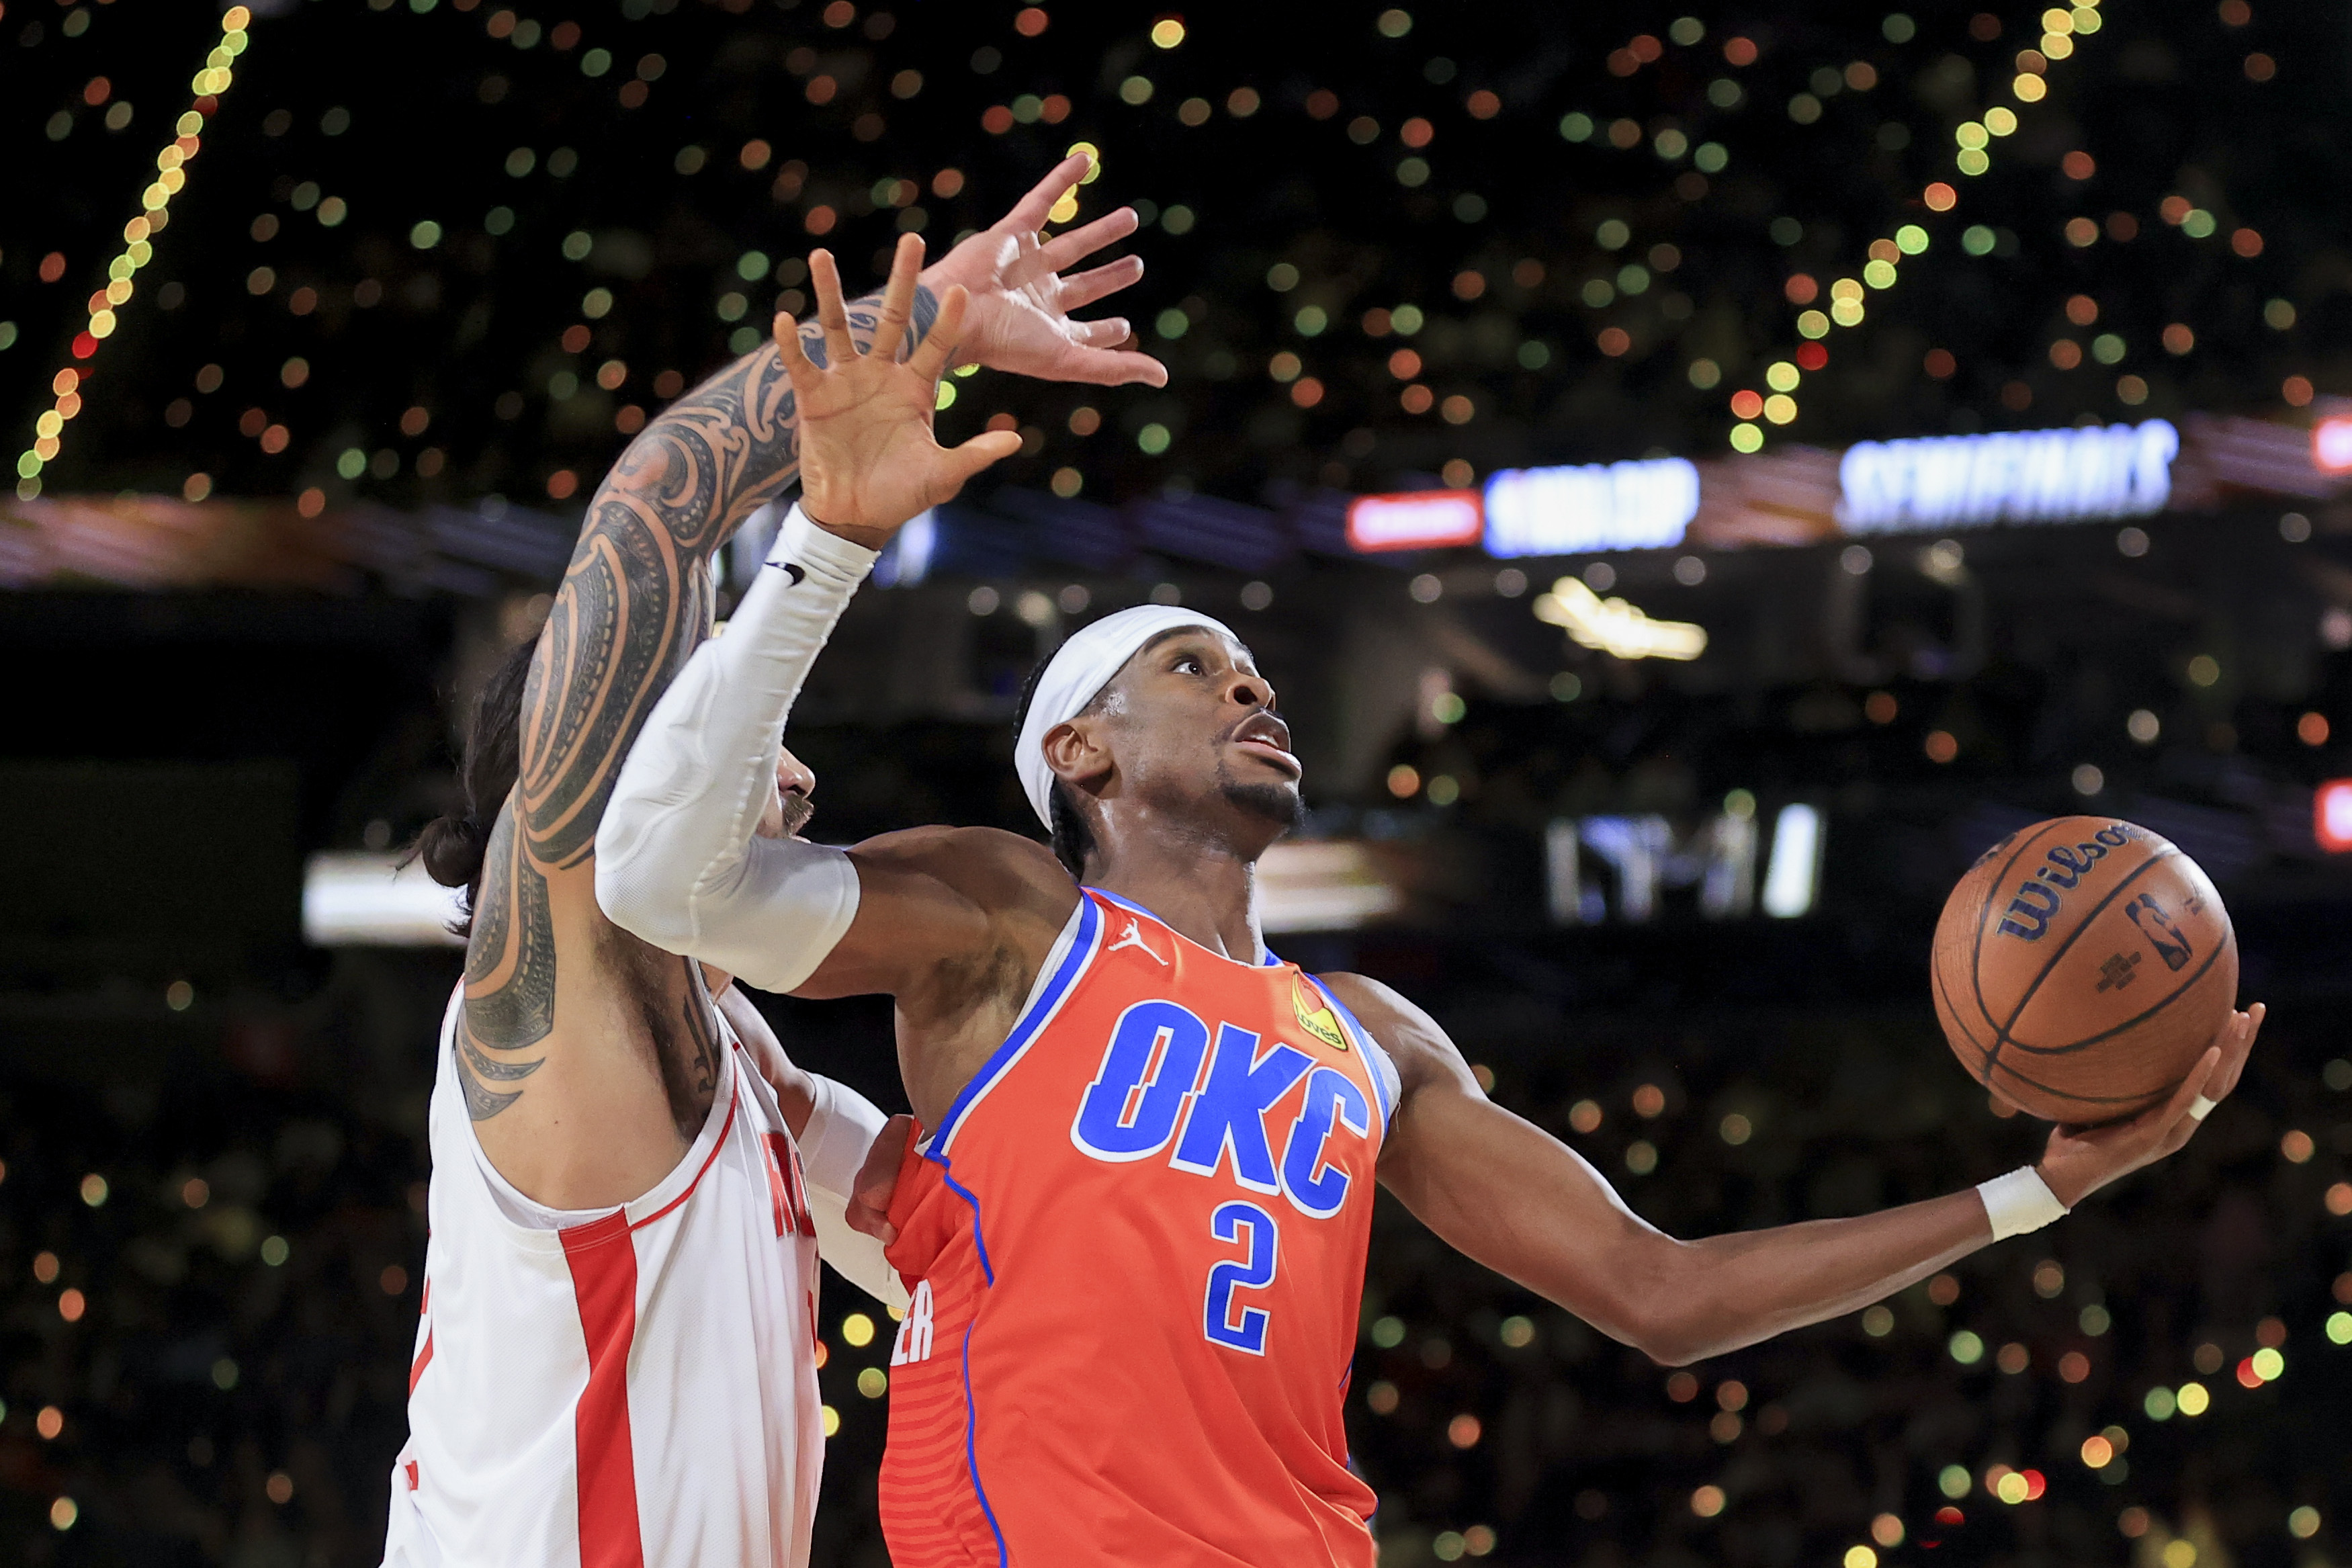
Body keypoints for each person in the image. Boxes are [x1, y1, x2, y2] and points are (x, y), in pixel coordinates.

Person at [594, 243, 2266, 1567]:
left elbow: (1658, 1295)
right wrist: (820, 542)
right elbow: (666, 880)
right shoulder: (1006, 914)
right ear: (1081, 747)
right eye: (1200, 668)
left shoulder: (1370, 1035)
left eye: (1257, 672)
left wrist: (2033, 1198)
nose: (1256, 694)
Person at [384, 153, 1166, 1568]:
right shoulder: (556, 997)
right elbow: (651, 513)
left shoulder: (730, 1052)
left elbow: (941, 1222)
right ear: (582, 772)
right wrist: (916, 323)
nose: (796, 773)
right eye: (738, 735)